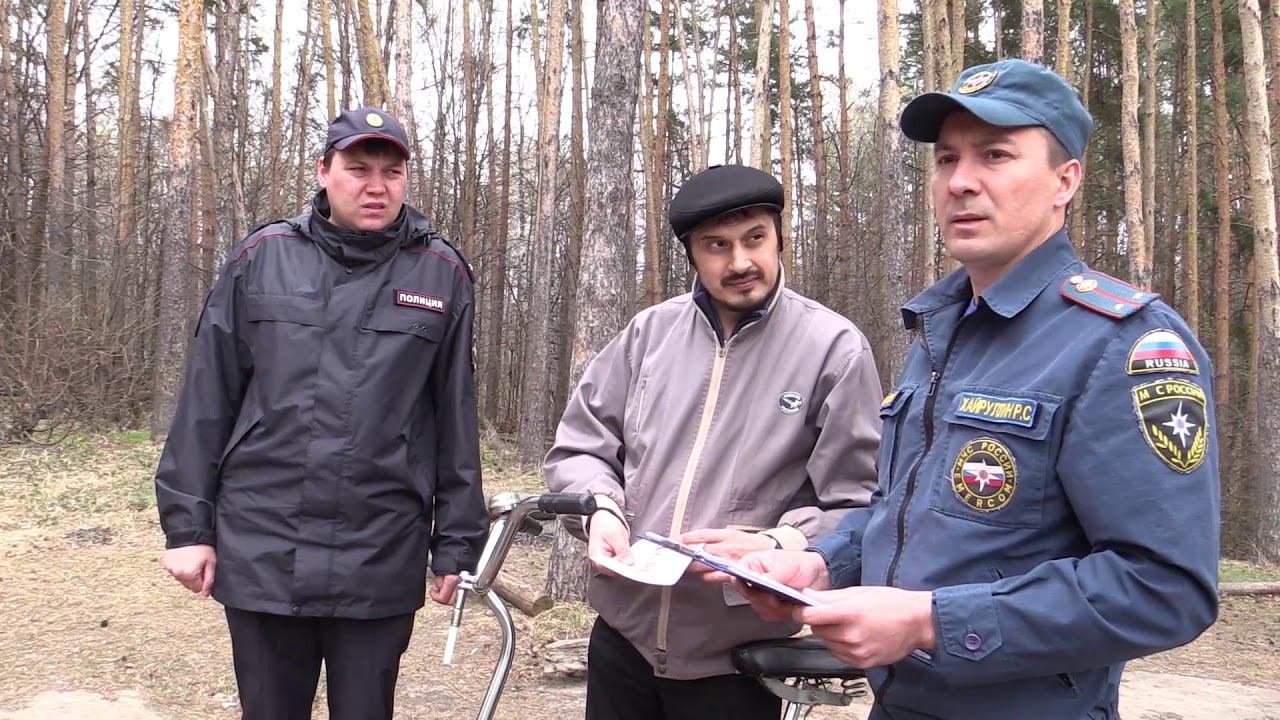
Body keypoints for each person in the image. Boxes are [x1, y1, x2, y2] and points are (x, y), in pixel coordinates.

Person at [733, 59, 1220, 720]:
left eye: (995, 155)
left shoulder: (1122, 344)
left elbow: (1165, 588)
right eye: (947, 159)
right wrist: (822, 564)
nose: (960, 181)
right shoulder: (942, 331)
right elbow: (909, 515)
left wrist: (930, 622)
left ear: (1065, 180)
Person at [154, 107, 487, 720]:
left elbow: (455, 416)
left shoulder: (440, 273)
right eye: (358, 169)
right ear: (323, 171)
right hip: (264, 540)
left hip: (380, 546)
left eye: (392, 172)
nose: (376, 186)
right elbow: (208, 398)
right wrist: (187, 528)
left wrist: (458, 542)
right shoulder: (263, 256)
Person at [544, 164, 884, 720]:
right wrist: (601, 509)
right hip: (622, 637)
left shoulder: (834, 349)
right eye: (717, 245)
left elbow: (861, 503)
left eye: (755, 238)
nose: (741, 262)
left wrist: (780, 543)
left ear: (779, 237)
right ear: (692, 255)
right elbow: (581, 445)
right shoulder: (648, 335)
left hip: (738, 658)